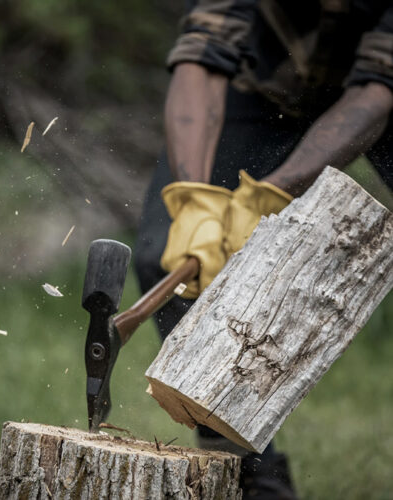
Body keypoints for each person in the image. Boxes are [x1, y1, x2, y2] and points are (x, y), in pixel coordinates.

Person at [134, 1, 393, 498]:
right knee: (163, 250)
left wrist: (266, 195)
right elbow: (203, 50)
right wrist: (195, 200)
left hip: (385, 93)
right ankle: (251, 478)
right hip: (265, 82)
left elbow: (379, 84)